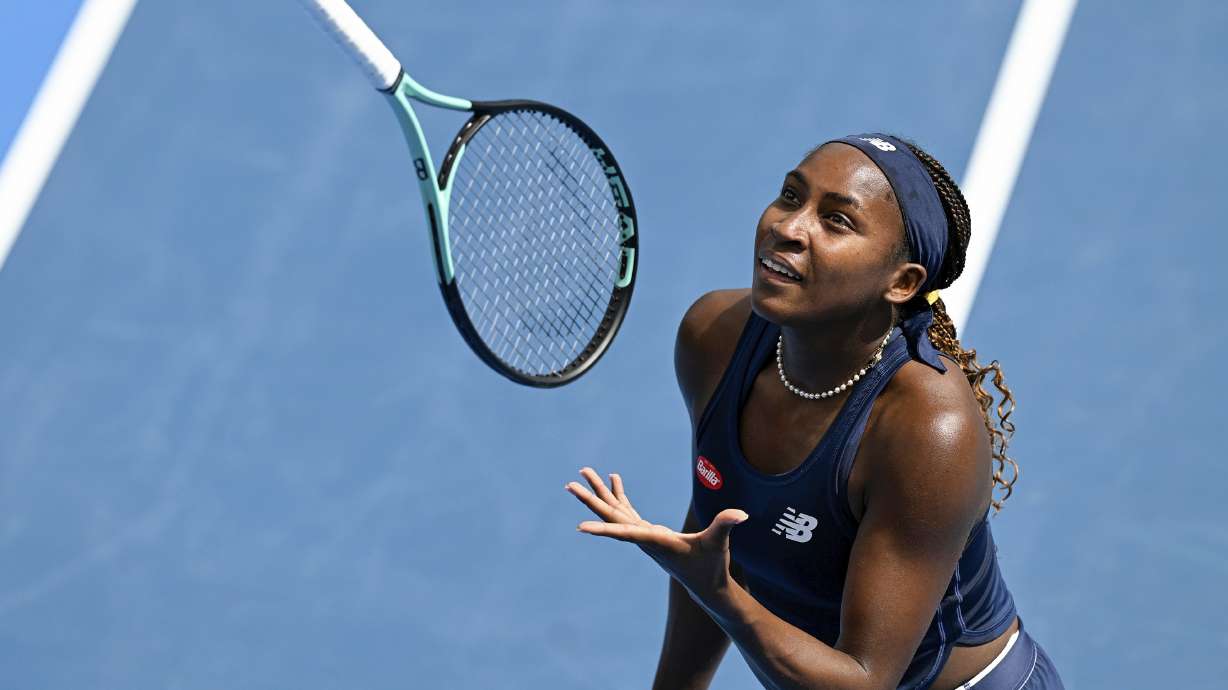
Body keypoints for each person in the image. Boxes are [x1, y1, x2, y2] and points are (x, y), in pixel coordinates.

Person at [564, 133, 1064, 689]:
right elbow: (713, 540)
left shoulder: (926, 430)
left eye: (837, 221)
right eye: (789, 196)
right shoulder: (714, 337)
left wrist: (722, 596)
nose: (787, 227)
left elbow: (865, 679)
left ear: (902, 282)